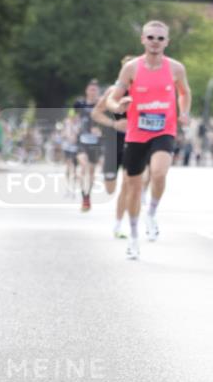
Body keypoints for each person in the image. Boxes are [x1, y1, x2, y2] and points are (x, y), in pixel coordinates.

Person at [107, 20, 190, 260]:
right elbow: (112, 99)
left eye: (160, 38)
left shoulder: (176, 68)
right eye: (151, 37)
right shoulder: (131, 68)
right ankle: (133, 237)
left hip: (164, 130)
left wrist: (184, 112)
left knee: (158, 173)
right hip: (136, 133)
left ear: (167, 42)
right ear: (143, 39)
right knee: (133, 187)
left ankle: (151, 212)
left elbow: (185, 92)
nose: (155, 42)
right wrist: (118, 106)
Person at [92, 55, 134, 238]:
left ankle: (118, 224)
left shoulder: (143, 91)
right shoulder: (113, 90)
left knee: (129, 183)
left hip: (133, 141)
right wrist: (114, 124)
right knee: (110, 187)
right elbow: (96, 113)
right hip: (113, 141)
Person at [74, 80, 103, 212]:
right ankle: (82, 194)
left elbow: (108, 120)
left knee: (91, 171)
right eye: (91, 89)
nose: (92, 92)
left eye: (95, 90)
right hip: (82, 141)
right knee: (84, 166)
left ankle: (87, 196)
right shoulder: (80, 104)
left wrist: (101, 130)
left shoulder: (101, 105)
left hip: (95, 143)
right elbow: (74, 118)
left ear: (98, 92)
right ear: (86, 91)